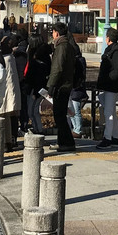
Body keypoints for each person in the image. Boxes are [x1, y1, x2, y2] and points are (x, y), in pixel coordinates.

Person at [46, 23, 77, 152]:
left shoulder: (61, 47)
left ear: (57, 33)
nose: (52, 35)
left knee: (59, 116)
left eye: (53, 32)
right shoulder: (69, 45)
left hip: (61, 85)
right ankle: (62, 142)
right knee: (61, 115)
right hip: (67, 83)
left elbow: (57, 68)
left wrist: (51, 85)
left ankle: (68, 142)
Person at [95, 27, 118, 150]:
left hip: (111, 86)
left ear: (108, 38)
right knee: (111, 111)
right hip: (110, 86)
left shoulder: (116, 52)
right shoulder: (114, 50)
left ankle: (107, 138)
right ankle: (115, 136)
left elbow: (117, 71)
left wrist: (107, 79)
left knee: (108, 113)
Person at [22, 34, 51, 135]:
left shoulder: (38, 57)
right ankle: (37, 128)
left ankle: (38, 130)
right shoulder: (43, 55)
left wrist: (36, 91)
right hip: (36, 87)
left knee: (32, 110)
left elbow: (38, 76)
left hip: (37, 88)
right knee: (33, 110)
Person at [0, 33, 23, 150]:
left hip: (6, 92)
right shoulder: (11, 57)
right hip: (12, 91)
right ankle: (9, 141)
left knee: (4, 117)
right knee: (9, 117)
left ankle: (7, 141)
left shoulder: (5, 59)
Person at [69, 46, 88, 137]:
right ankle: (75, 128)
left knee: (75, 111)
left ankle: (78, 129)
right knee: (72, 110)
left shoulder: (78, 61)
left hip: (76, 90)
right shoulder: (80, 60)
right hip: (75, 90)